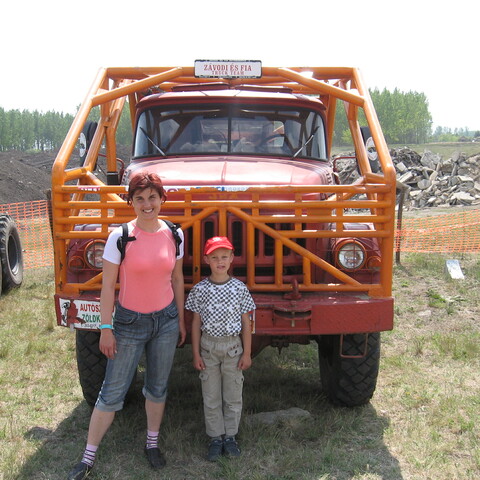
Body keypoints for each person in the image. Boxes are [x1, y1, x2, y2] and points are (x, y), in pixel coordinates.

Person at [67, 172, 186, 480]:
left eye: (152, 197)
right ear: (131, 201)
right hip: (129, 323)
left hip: (166, 322)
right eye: (140, 198)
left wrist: (180, 320)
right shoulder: (119, 237)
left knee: (157, 387)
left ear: (162, 199)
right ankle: (87, 458)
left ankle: (152, 444)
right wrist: (106, 328)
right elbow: (108, 287)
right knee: (111, 392)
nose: (147, 205)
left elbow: (176, 279)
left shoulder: (175, 234)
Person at [185, 236, 256, 462]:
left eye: (224, 257)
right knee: (211, 395)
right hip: (208, 348)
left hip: (233, 348)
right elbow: (195, 323)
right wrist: (196, 353)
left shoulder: (239, 288)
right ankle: (215, 437)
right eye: (214, 258)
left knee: (233, 395)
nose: (220, 262)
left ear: (232, 258)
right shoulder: (200, 290)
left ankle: (231, 437)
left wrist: (247, 353)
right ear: (206, 260)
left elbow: (246, 323)